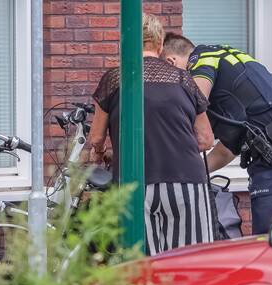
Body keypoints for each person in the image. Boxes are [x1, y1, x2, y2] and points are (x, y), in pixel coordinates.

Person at [161, 33, 272, 235]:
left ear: (170, 62)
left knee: (267, 239)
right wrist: (194, 172)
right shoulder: (226, 60)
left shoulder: (202, 58)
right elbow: (226, 151)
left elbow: (194, 103)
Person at [88, 13, 216, 254]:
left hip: (133, 185)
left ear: (125, 44)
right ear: (160, 44)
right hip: (186, 182)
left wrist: (100, 152)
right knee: (190, 260)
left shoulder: (114, 79)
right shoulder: (184, 79)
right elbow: (206, 139)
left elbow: (96, 138)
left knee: (142, 264)